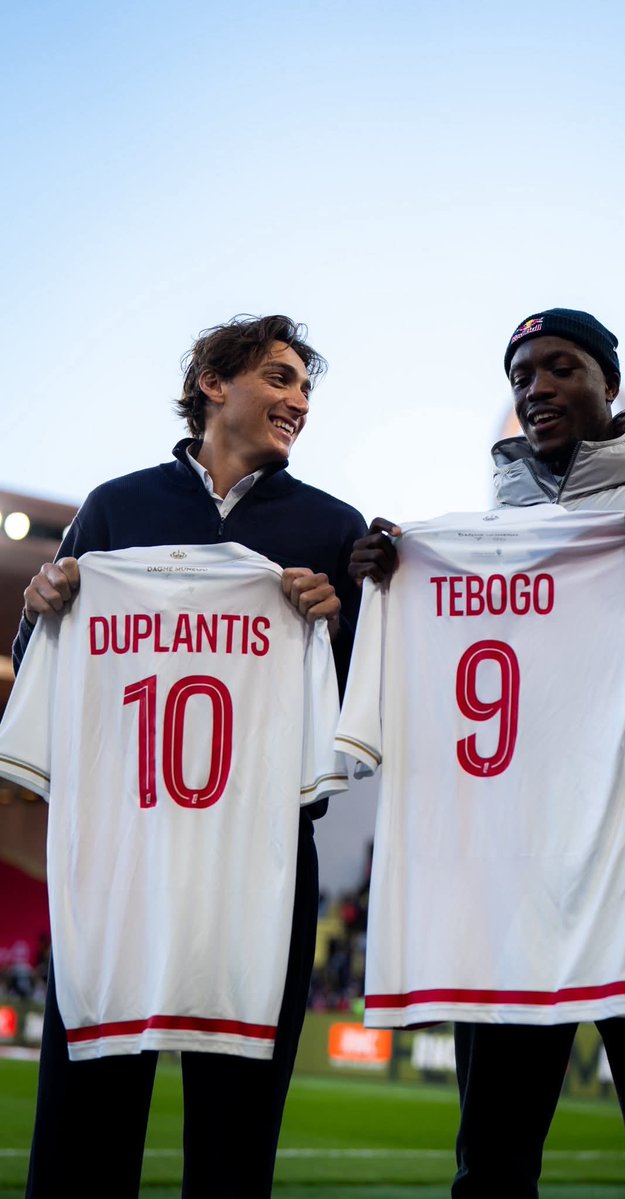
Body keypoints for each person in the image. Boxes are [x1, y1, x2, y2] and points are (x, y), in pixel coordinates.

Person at [349, 307, 625, 1199]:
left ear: (609, 383)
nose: (537, 388)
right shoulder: (477, 539)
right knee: (492, 1155)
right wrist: (389, 590)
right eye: (522, 375)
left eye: (561, 367)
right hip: (510, 873)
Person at [15, 314, 367, 1199]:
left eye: (306, 390)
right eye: (282, 379)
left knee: (236, 1131)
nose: (299, 402)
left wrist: (336, 620)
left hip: (264, 855)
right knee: (84, 1119)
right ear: (214, 380)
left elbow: (362, 705)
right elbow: (42, 666)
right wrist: (44, 601)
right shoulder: (115, 508)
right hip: (120, 848)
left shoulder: (331, 527)